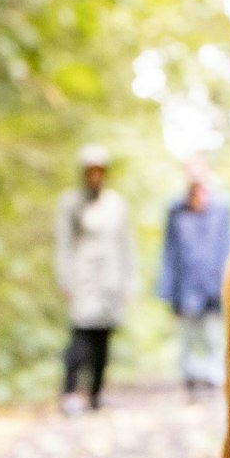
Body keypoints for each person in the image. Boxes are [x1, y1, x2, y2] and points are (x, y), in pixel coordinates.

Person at [54, 143, 135, 413]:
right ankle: (69, 393)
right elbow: (64, 244)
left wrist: (129, 280)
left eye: (99, 171)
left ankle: (96, 394)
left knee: (103, 338)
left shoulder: (116, 204)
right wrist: (64, 279)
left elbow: (126, 245)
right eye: (90, 171)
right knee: (80, 337)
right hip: (83, 279)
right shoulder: (71, 203)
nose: (95, 176)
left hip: (109, 280)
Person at [155, 168, 230, 397]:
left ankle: (212, 379)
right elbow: (169, 252)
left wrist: (227, 282)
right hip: (186, 287)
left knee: (213, 335)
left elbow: (228, 244)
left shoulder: (220, 210)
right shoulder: (176, 212)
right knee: (188, 337)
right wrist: (167, 289)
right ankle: (191, 379)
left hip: (213, 285)